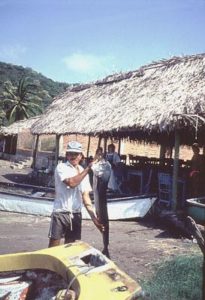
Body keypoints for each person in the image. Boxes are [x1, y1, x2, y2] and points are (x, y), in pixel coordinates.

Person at [48, 141, 104, 247]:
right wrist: (88, 168)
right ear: (66, 155)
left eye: (76, 154)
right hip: (60, 213)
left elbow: (85, 196)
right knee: (53, 248)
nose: (72, 156)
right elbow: (72, 183)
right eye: (70, 153)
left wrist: (94, 219)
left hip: (76, 214)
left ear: (81, 156)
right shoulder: (61, 167)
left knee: (70, 248)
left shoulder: (82, 170)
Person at [92, 147, 112, 257]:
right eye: (97, 154)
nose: (98, 156)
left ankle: (106, 246)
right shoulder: (99, 164)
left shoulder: (105, 165)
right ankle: (105, 245)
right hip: (98, 194)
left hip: (101, 196)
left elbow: (96, 170)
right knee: (101, 218)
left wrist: (95, 162)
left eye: (100, 154)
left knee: (103, 220)